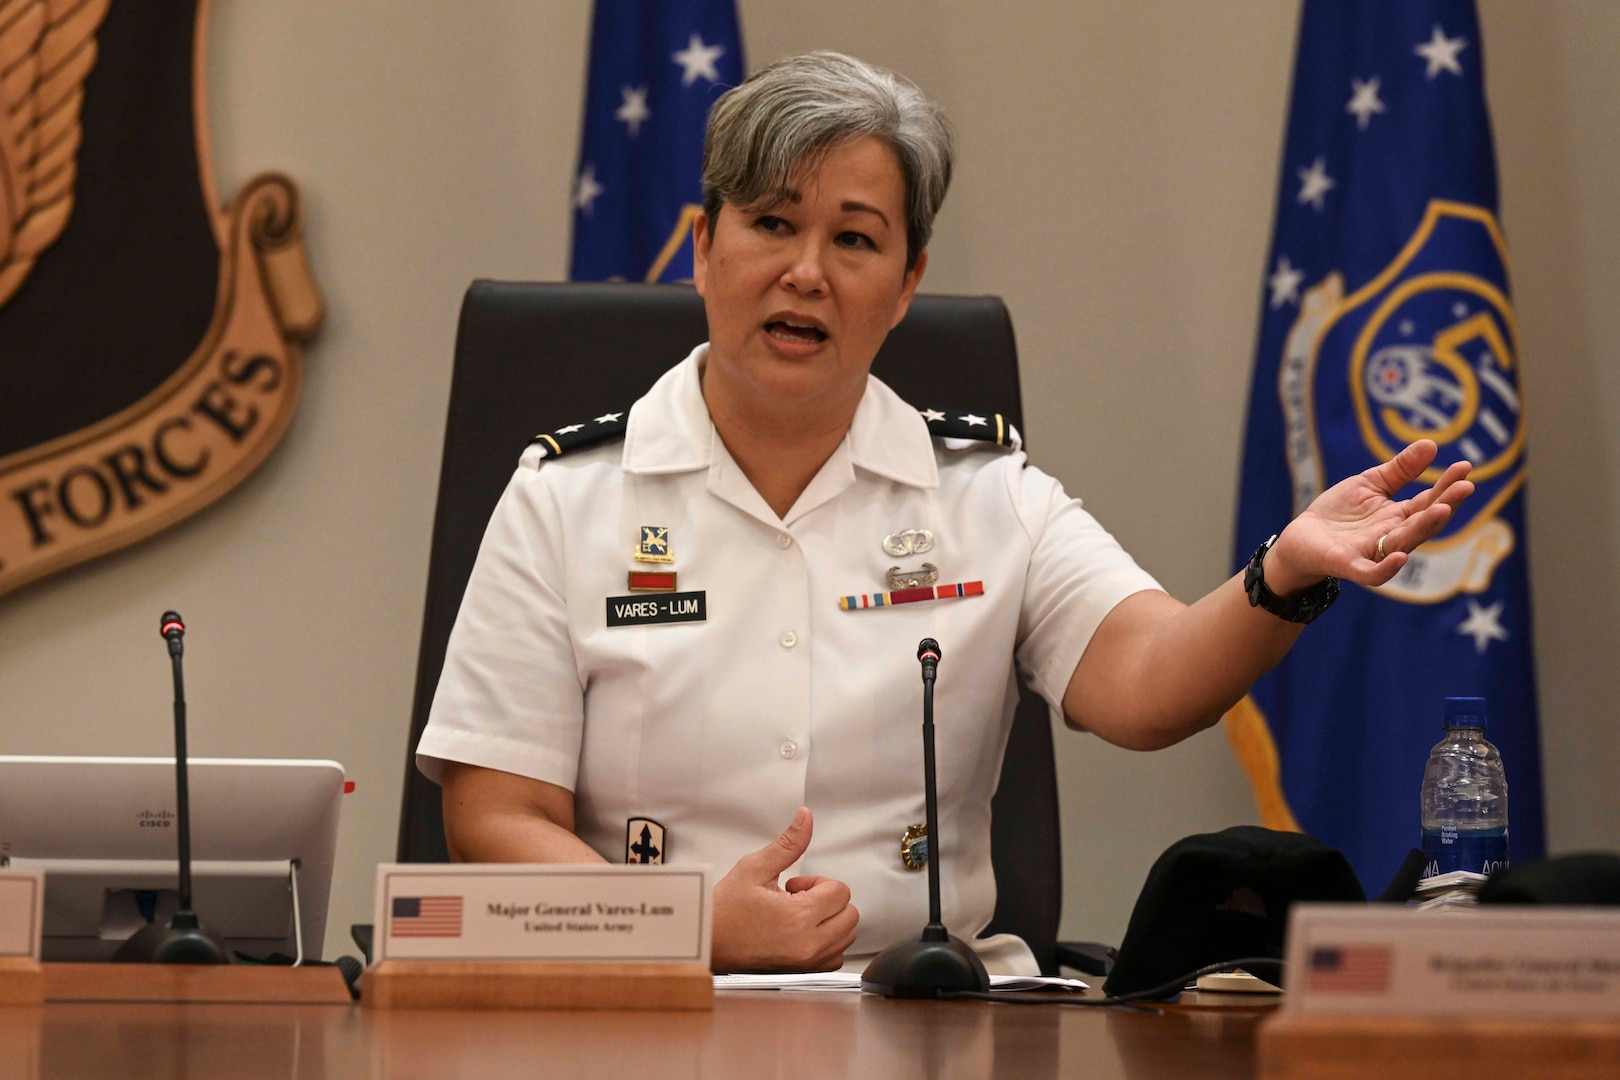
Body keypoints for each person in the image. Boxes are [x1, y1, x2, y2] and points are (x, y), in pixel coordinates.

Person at [416, 52, 1473, 975]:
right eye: (772, 223)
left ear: (909, 277)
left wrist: (1283, 570)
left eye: (856, 240)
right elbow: (494, 818)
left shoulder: (985, 492)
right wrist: (683, 926)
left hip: (939, 1014)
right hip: (652, 1007)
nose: (806, 272)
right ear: (704, 248)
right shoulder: (566, 499)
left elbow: (1147, 685)